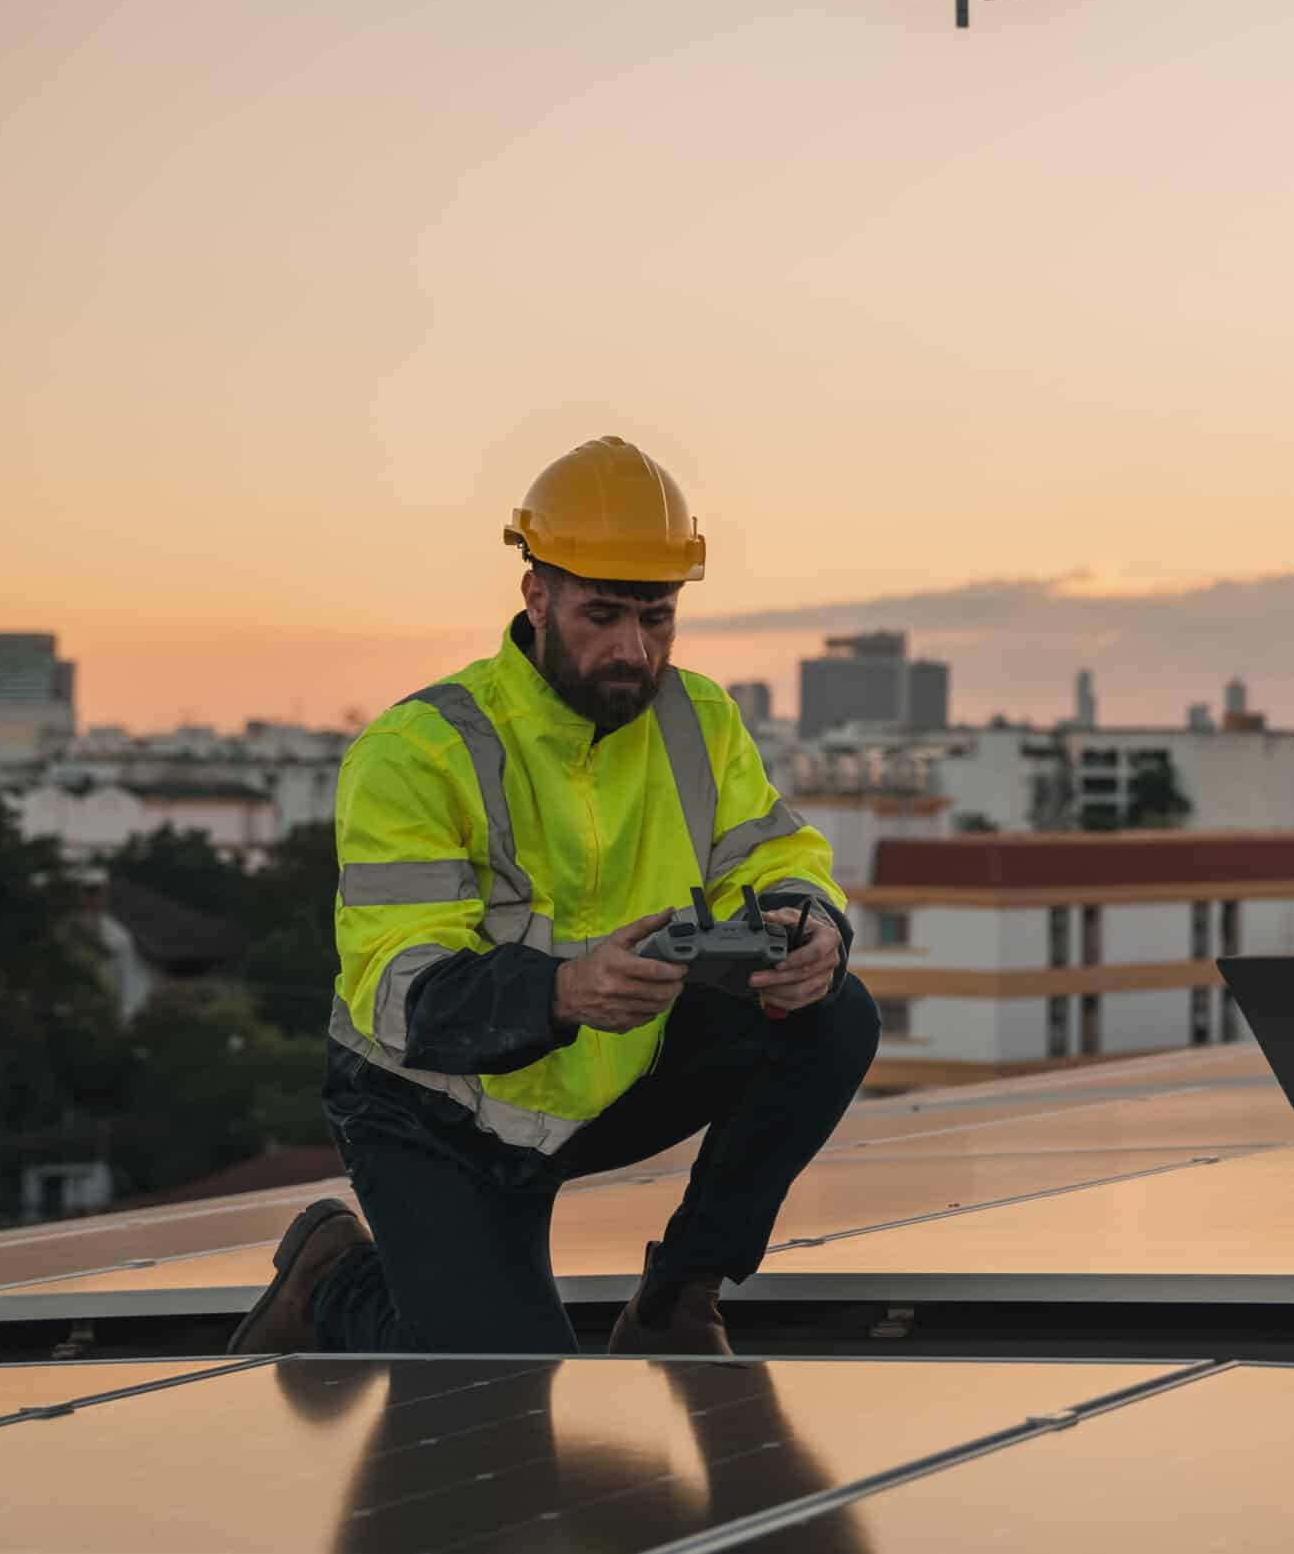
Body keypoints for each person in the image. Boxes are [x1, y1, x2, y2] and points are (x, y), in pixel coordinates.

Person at [231, 436, 881, 1356]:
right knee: (508, 1383)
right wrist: (562, 990)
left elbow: (778, 852)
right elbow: (396, 987)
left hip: (597, 1078)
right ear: (535, 593)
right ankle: (334, 1278)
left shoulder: (699, 718)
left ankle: (677, 1300)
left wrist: (809, 925)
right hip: (435, 1110)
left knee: (835, 1012)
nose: (632, 649)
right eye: (602, 614)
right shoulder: (417, 750)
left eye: (656, 617)